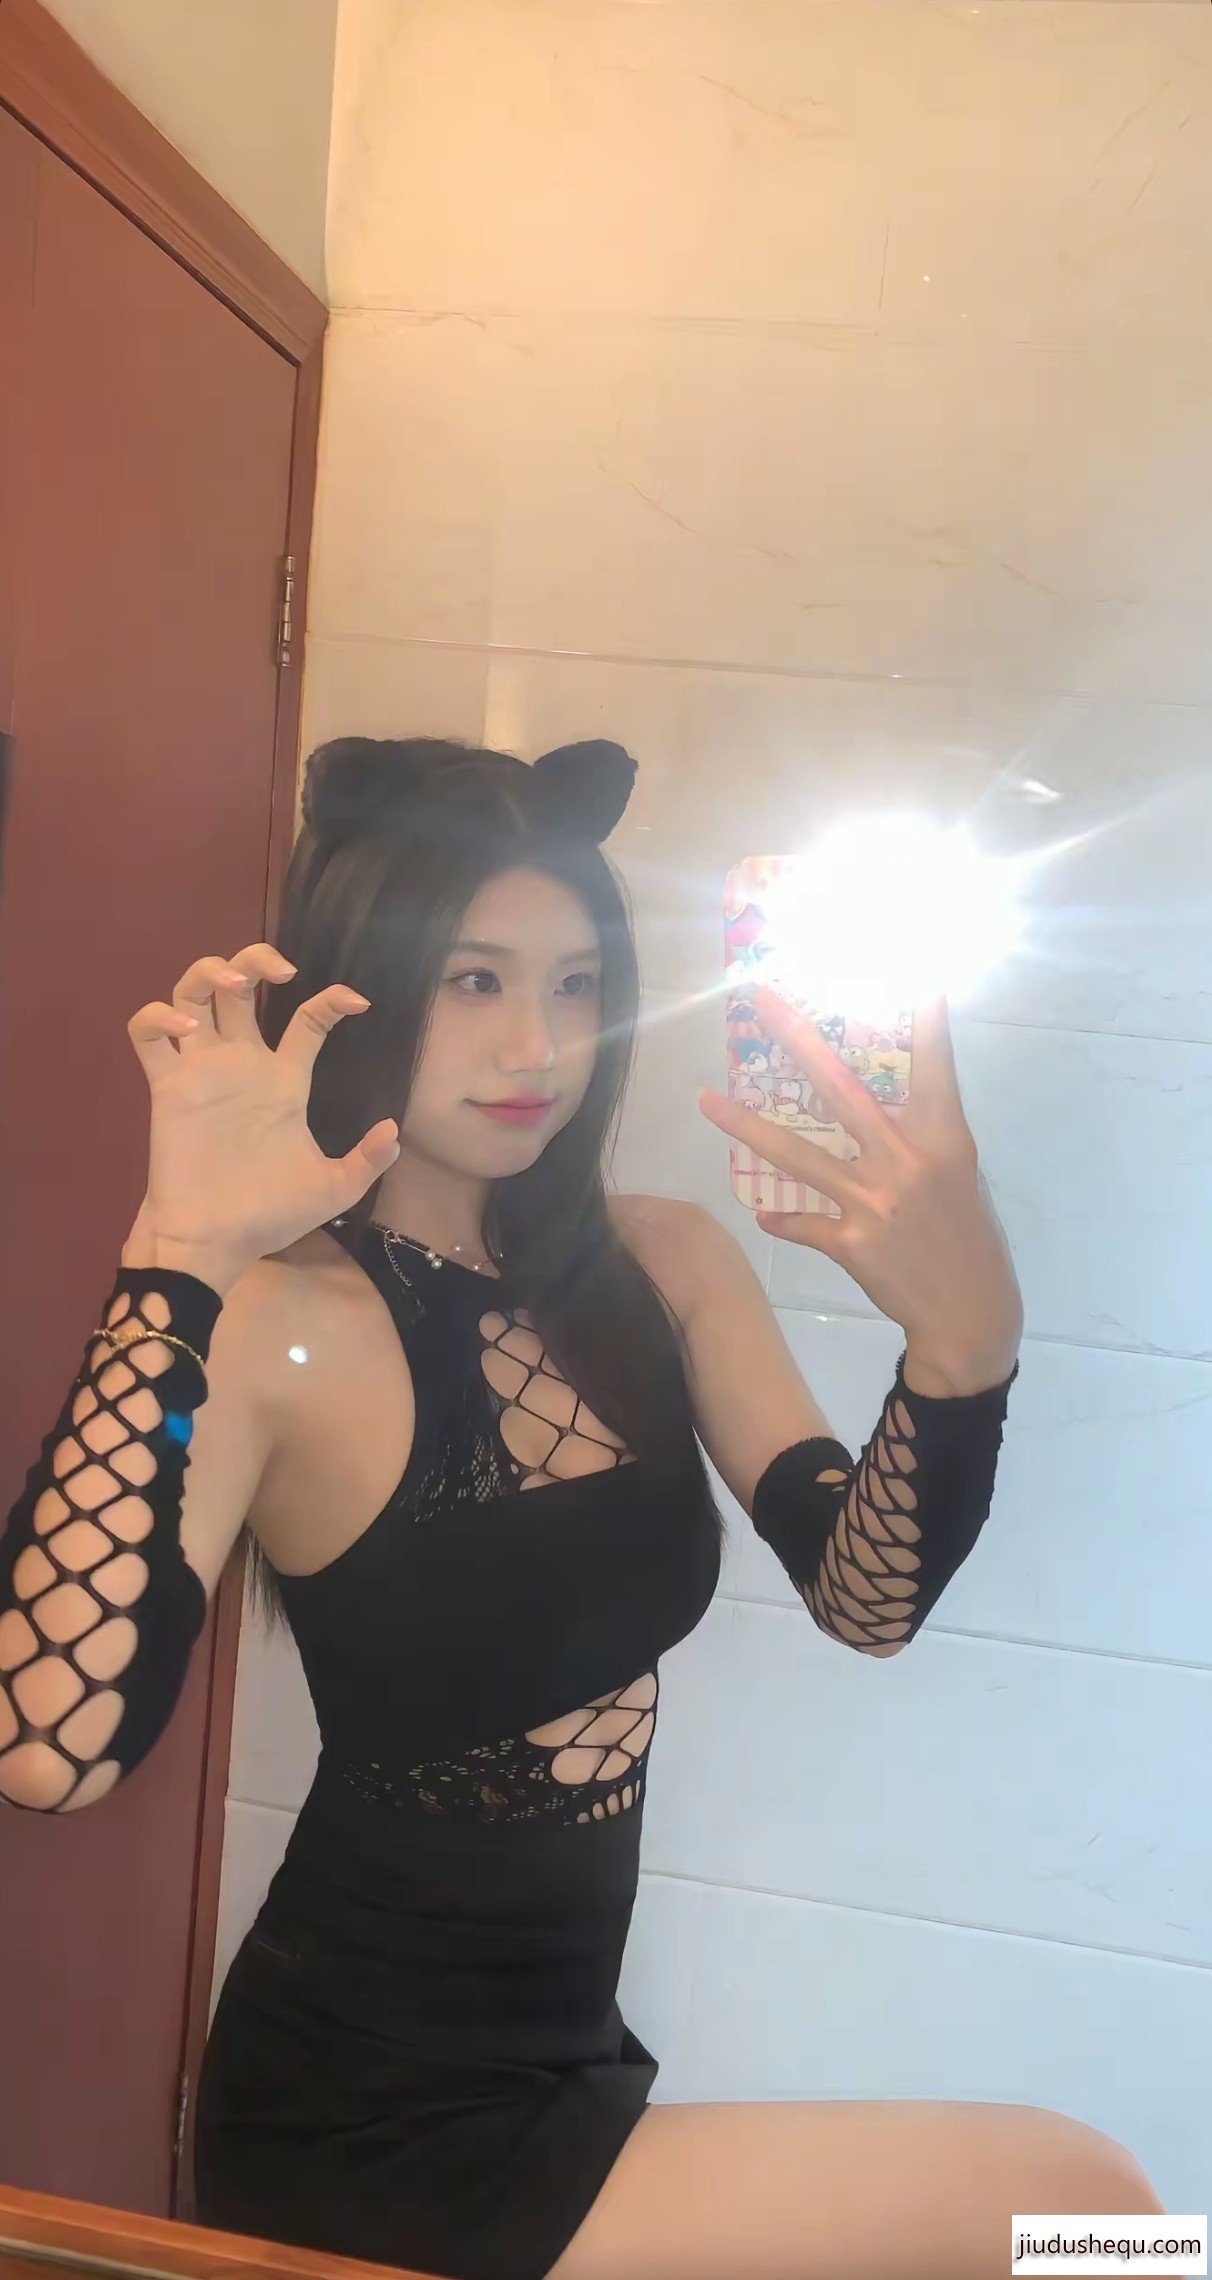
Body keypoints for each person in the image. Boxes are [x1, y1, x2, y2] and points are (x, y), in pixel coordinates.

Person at [0, 738, 1166, 2280]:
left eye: (575, 982)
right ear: (365, 987)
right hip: (367, 2115)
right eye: (474, 980)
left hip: (563, 2054)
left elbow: (863, 1594)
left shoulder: (664, 1262)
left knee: (1097, 2222)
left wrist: (966, 1356)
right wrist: (176, 1258)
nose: (537, 1042)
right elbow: (47, 1748)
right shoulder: (281, 1319)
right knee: (1095, 2215)